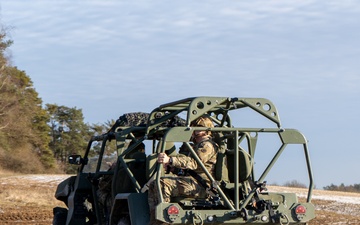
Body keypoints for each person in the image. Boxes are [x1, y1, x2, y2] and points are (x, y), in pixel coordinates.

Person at [147, 116, 217, 225]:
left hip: (202, 186)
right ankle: (155, 221)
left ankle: (165, 220)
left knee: (162, 184)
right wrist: (171, 168)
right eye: (194, 127)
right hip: (193, 181)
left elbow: (194, 163)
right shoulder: (197, 146)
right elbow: (190, 169)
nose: (194, 130)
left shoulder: (207, 145)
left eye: (198, 127)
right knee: (154, 184)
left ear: (206, 130)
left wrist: (170, 159)